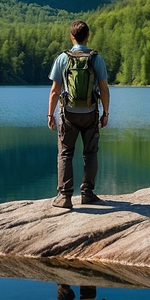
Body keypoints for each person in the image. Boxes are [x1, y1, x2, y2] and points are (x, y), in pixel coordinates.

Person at [47, 20, 110, 209]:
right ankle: (87, 194)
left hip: (68, 114)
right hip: (90, 113)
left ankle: (64, 197)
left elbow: (55, 91)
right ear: (88, 36)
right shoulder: (96, 59)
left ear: (71, 37)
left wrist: (50, 115)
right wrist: (106, 113)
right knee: (90, 154)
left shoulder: (63, 58)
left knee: (65, 154)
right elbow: (104, 89)